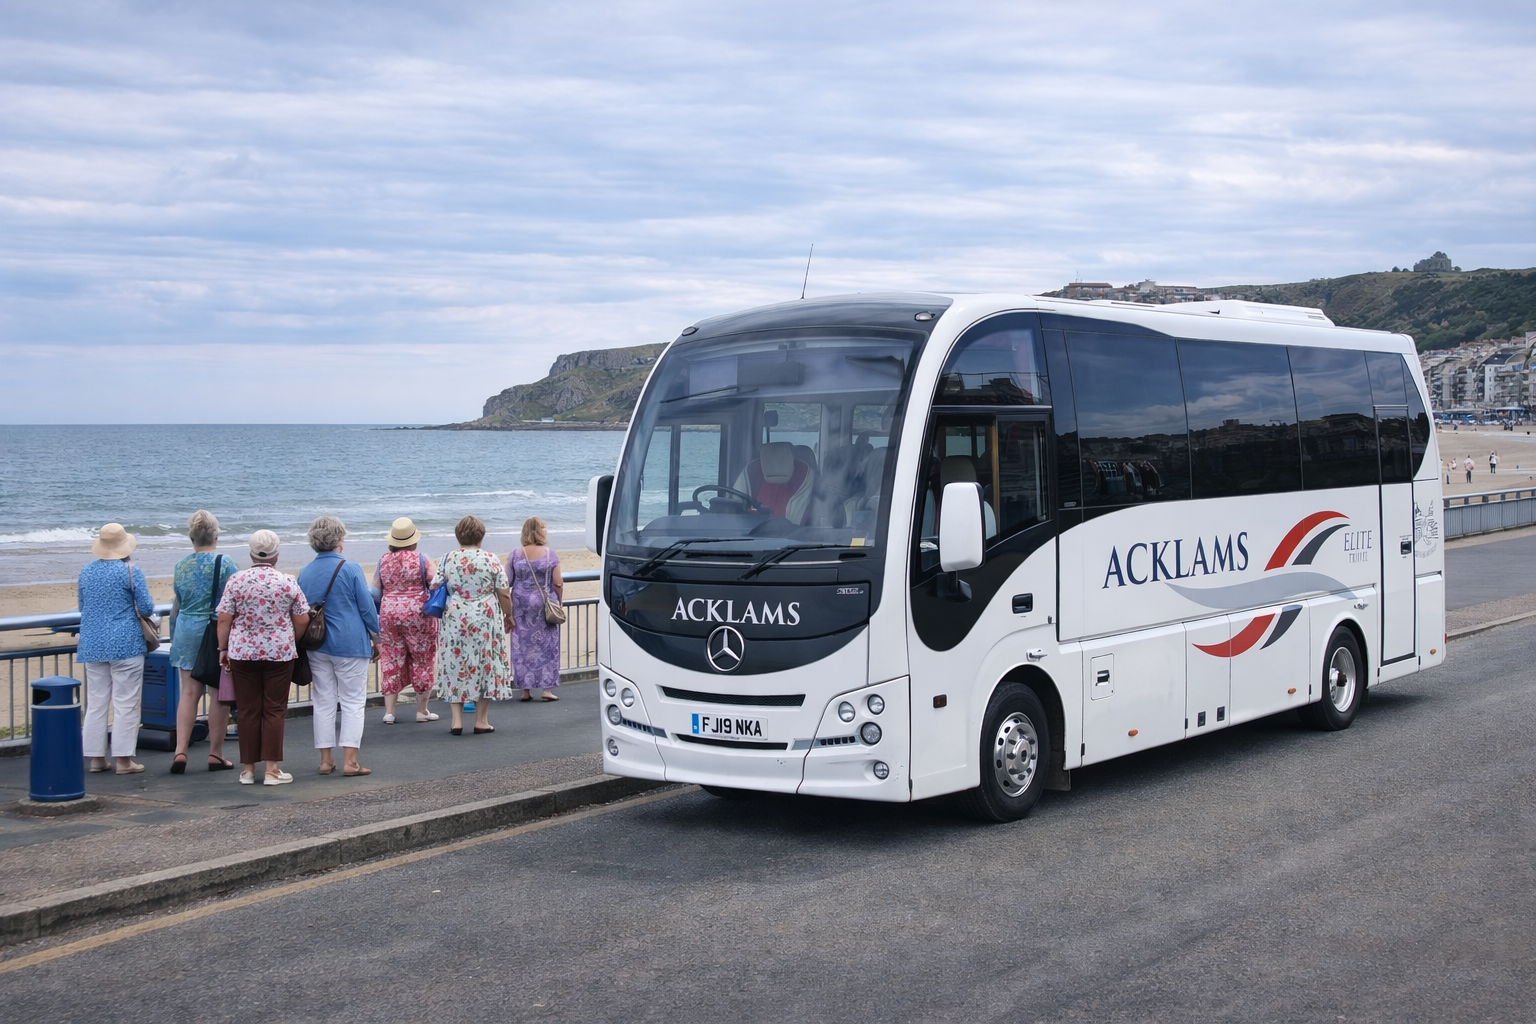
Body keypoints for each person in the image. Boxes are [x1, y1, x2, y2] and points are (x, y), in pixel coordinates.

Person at [217, 530, 310, 786]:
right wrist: (292, 637)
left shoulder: (236, 581)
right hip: (279, 652)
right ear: (276, 555)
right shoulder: (287, 582)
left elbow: (224, 618)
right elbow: (303, 617)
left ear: (250, 553)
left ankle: (247, 769)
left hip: (242, 652)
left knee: (247, 709)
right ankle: (272, 769)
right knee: (274, 709)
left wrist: (222, 649)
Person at [297, 516, 379, 777]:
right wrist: (378, 638)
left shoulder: (305, 572)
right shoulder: (351, 568)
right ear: (338, 540)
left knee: (323, 700)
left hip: (317, 644)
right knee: (354, 701)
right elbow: (366, 608)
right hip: (349, 642)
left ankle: (325, 760)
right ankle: (351, 761)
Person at [77, 523, 156, 775]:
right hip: (126, 644)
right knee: (126, 702)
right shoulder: (130, 571)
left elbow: (82, 605)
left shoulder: (86, 572)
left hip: (92, 643)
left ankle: (96, 758)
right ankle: (124, 760)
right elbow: (145, 607)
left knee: (97, 703)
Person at [167, 510, 238, 773]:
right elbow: (233, 599)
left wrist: (174, 636)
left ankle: (180, 751)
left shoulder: (181, 565)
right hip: (213, 631)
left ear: (191, 538)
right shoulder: (225, 562)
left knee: (188, 693)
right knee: (219, 695)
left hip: (186, 629)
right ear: (215, 535)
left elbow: (179, 604)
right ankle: (215, 754)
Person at [432, 515, 514, 734]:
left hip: (455, 617)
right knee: (485, 663)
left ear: (458, 536)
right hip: (485, 617)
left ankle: (456, 721)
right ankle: (481, 720)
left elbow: (434, 586)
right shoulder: (490, 558)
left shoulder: (446, 558)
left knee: (454, 663)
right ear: (481, 536)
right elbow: (503, 591)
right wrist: (509, 615)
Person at [376, 517, 439, 725]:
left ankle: (389, 712)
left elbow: (374, 591)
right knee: (422, 658)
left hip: (389, 614)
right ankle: (422, 710)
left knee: (392, 658)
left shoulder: (383, 560)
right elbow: (435, 582)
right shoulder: (422, 559)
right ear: (414, 540)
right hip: (417, 615)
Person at [508, 516, 564, 702]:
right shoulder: (550, 554)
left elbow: (507, 581)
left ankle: (525, 690)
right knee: (547, 644)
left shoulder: (515, 554)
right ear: (541, 532)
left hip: (521, 605)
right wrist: (559, 602)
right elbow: (557, 582)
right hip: (543, 604)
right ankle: (547, 690)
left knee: (521, 644)